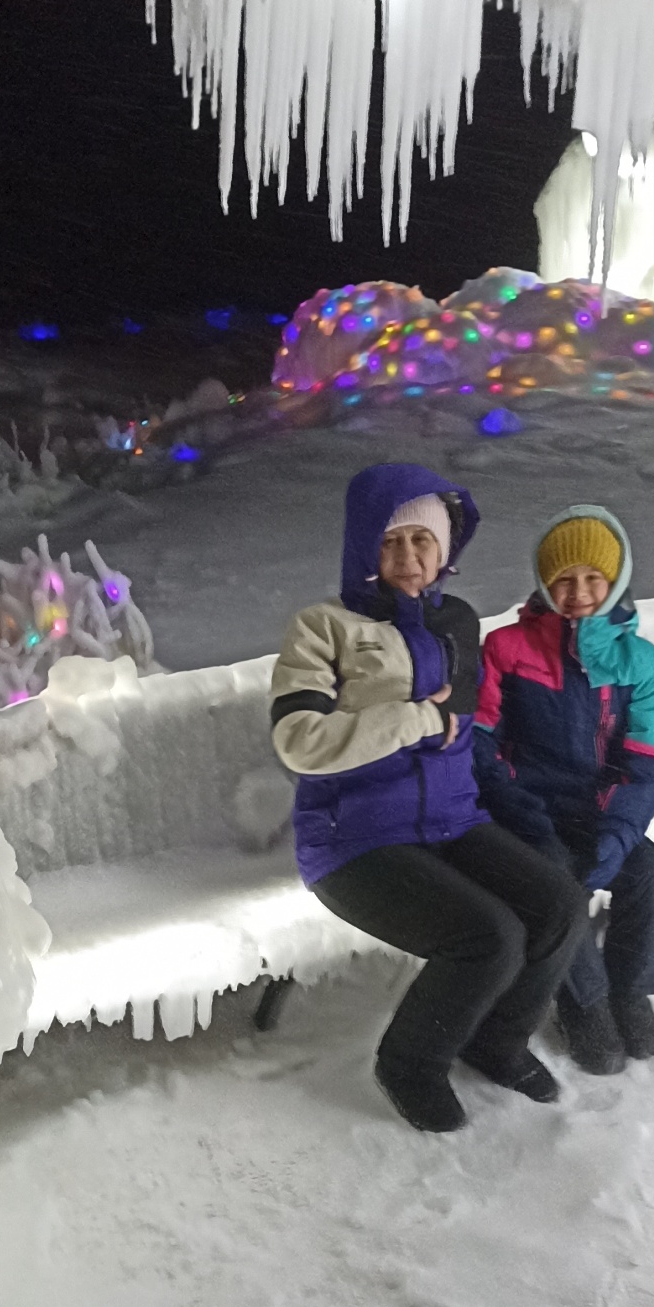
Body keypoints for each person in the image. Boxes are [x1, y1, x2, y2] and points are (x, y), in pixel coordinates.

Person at [270, 463, 588, 1132]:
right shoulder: (323, 627)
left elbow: (462, 726)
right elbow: (300, 741)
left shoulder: (457, 623)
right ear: (364, 547)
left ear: (445, 548)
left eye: (423, 541)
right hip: (353, 837)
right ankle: (410, 1062)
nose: (409, 558)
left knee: (558, 902)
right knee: (489, 937)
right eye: (390, 542)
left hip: (449, 822)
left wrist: (460, 750)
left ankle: (495, 1041)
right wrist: (411, 719)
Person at [473, 505, 654, 1076]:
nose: (580, 592)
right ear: (545, 582)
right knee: (556, 884)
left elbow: (649, 759)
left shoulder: (639, 663)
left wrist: (617, 833)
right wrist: (518, 809)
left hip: (599, 813)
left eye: (595, 579)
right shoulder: (506, 649)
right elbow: (480, 741)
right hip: (525, 813)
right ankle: (583, 1003)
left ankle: (627, 992)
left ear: (616, 582)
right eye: (564, 579)